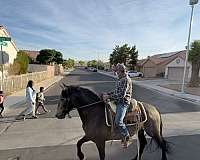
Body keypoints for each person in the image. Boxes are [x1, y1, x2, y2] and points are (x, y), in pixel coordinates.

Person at [103, 63, 132, 148]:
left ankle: (127, 137)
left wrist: (108, 96)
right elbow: (116, 91)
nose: (116, 73)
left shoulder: (125, 80)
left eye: (117, 71)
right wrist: (107, 93)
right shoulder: (120, 79)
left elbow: (121, 95)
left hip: (123, 102)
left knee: (118, 121)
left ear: (122, 71)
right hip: (117, 100)